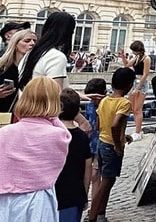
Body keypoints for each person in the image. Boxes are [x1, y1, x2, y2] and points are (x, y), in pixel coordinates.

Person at [0, 76, 71, 221]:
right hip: (38, 200)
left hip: (6, 199)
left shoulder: (5, 132)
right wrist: (52, 115)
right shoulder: (57, 136)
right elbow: (66, 134)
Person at [89, 67, 136, 222]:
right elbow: (115, 125)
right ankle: (92, 216)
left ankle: (100, 214)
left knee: (107, 181)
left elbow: (99, 125)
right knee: (106, 183)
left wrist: (123, 136)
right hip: (111, 146)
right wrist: (117, 144)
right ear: (129, 85)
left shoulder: (104, 101)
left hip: (102, 143)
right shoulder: (124, 103)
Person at [56, 88, 92, 222]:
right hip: (75, 194)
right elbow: (88, 167)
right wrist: (85, 193)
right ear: (78, 111)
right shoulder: (82, 137)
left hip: (55, 192)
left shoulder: (53, 135)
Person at [18, 11, 74, 90]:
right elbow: (55, 93)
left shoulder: (31, 53)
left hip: (25, 101)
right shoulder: (56, 57)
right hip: (44, 102)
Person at [120, 40, 151, 141]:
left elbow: (146, 74)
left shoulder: (146, 59)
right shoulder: (137, 58)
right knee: (133, 108)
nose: (133, 52)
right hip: (135, 82)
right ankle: (137, 130)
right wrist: (123, 57)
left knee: (137, 109)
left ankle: (138, 131)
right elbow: (127, 65)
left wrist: (138, 88)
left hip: (141, 83)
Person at [82, 78, 106, 205]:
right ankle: (84, 201)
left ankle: (95, 208)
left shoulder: (105, 105)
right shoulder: (90, 105)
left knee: (95, 175)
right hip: (89, 142)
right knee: (86, 173)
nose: (93, 100)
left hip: (100, 142)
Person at [0, 28, 36, 113]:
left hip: (24, 114)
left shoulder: (36, 68)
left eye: (35, 41)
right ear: (15, 44)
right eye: (27, 41)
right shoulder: (2, 66)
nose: (32, 43)